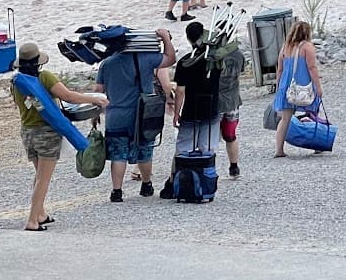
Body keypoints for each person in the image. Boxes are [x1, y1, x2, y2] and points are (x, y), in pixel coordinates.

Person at [13, 42, 107, 231]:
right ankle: (32, 220)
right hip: (46, 133)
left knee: (39, 175)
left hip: (28, 132)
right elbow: (69, 97)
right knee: (44, 179)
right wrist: (95, 99)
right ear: (38, 62)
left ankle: (40, 213)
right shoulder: (44, 77)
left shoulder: (17, 82)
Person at [95, 26, 175, 201]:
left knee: (118, 153)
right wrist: (166, 39)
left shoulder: (106, 64)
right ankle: (146, 185)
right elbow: (170, 59)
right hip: (142, 114)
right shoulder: (145, 58)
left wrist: (96, 115)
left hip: (115, 115)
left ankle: (117, 191)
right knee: (144, 149)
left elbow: (98, 91)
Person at [171, 21, 221, 163]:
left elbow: (180, 91)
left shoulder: (185, 62)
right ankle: (205, 177)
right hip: (211, 107)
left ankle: (182, 178)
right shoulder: (214, 59)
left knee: (184, 148)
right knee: (207, 148)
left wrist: (176, 113)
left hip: (191, 109)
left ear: (188, 39)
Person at [272, 20, 322, 157]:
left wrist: (279, 87)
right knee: (312, 114)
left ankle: (279, 150)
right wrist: (318, 87)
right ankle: (317, 145)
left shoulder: (285, 47)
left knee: (285, 119)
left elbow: (280, 70)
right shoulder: (307, 47)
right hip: (303, 86)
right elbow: (312, 68)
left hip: (287, 87)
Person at [211, 19, 247, 179]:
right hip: (232, 100)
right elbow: (242, 71)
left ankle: (209, 167)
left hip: (216, 100)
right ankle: (234, 167)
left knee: (210, 137)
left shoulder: (213, 55)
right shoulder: (238, 54)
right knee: (230, 135)